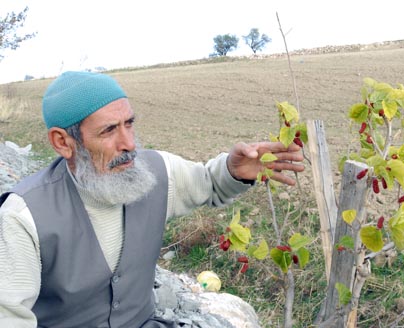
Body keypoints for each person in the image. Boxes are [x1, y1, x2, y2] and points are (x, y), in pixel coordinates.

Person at [0, 71, 304, 327]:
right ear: (63, 142)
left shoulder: (155, 170)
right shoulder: (23, 215)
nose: (129, 144)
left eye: (129, 123)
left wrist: (232, 170)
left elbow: (209, 182)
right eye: (108, 131)